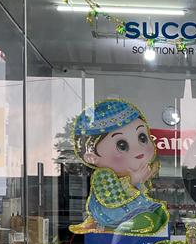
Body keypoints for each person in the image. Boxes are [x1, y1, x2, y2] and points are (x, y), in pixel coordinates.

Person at [69, 99, 169, 235]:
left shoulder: (130, 171)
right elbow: (111, 198)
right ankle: (110, 227)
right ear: (92, 157)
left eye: (142, 138)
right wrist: (133, 181)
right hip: (114, 214)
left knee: (160, 213)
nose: (138, 149)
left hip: (133, 207)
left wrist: (142, 180)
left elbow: (141, 189)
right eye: (122, 145)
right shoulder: (102, 175)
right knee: (148, 222)